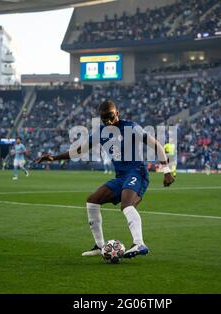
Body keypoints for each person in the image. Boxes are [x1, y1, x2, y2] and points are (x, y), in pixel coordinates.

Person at [36, 99, 175, 258]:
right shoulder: (101, 133)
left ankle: (139, 243)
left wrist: (166, 171)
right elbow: (79, 150)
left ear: (118, 113)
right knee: (92, 200)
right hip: (121, 177)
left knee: (126, 205)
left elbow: (156, 145)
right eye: (104, 119)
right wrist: (54, 157)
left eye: (111, 117)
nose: (108, 121)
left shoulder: (131, 127)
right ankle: (100, 245)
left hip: (137, 172)